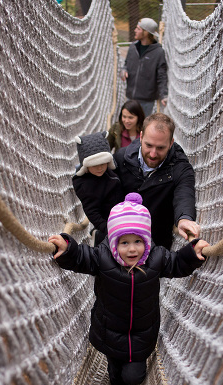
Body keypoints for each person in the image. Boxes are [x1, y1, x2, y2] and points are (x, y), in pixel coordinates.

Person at [48, 193, 210, 385]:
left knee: (134, 374)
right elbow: (81, 257)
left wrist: (193, 253)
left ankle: (132, 380)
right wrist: (67, 248)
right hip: (110, 330)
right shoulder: (102, 258)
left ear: (147, 240)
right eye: (124, 242)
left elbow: (177, 263)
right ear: (114, 242)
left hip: (143, 332)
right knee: (115, 372)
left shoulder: (157, 258)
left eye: (138, 241)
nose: (132, 249)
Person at [112, 113, 201, 249]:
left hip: (156, 245)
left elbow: (184, 194)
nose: (153, 154)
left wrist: (184, 218)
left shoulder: (180, 168)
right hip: (119, 240)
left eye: (160, 148)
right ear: (141, 137)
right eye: (149, 145)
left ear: (171, 143)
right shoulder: (121, 159)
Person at [71, 131, 123, 246]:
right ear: (86, 166)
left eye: (103, 163)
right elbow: (92, 211)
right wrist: (106, 228)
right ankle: (98, 235)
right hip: (106, 222)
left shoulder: (111, 173)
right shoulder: (85, 184)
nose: (100, 168)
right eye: (95, 165)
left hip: (121, 213)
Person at [121, 18, 168, 117]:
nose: (135, 30)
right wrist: (124, 70)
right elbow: (126, 64)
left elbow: (162, 76)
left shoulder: (158, 52)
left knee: (142, 128)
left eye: (138, 29)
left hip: (146, 101)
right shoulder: (132, 47)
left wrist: (164, 95)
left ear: (146, 32)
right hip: (130, 98)